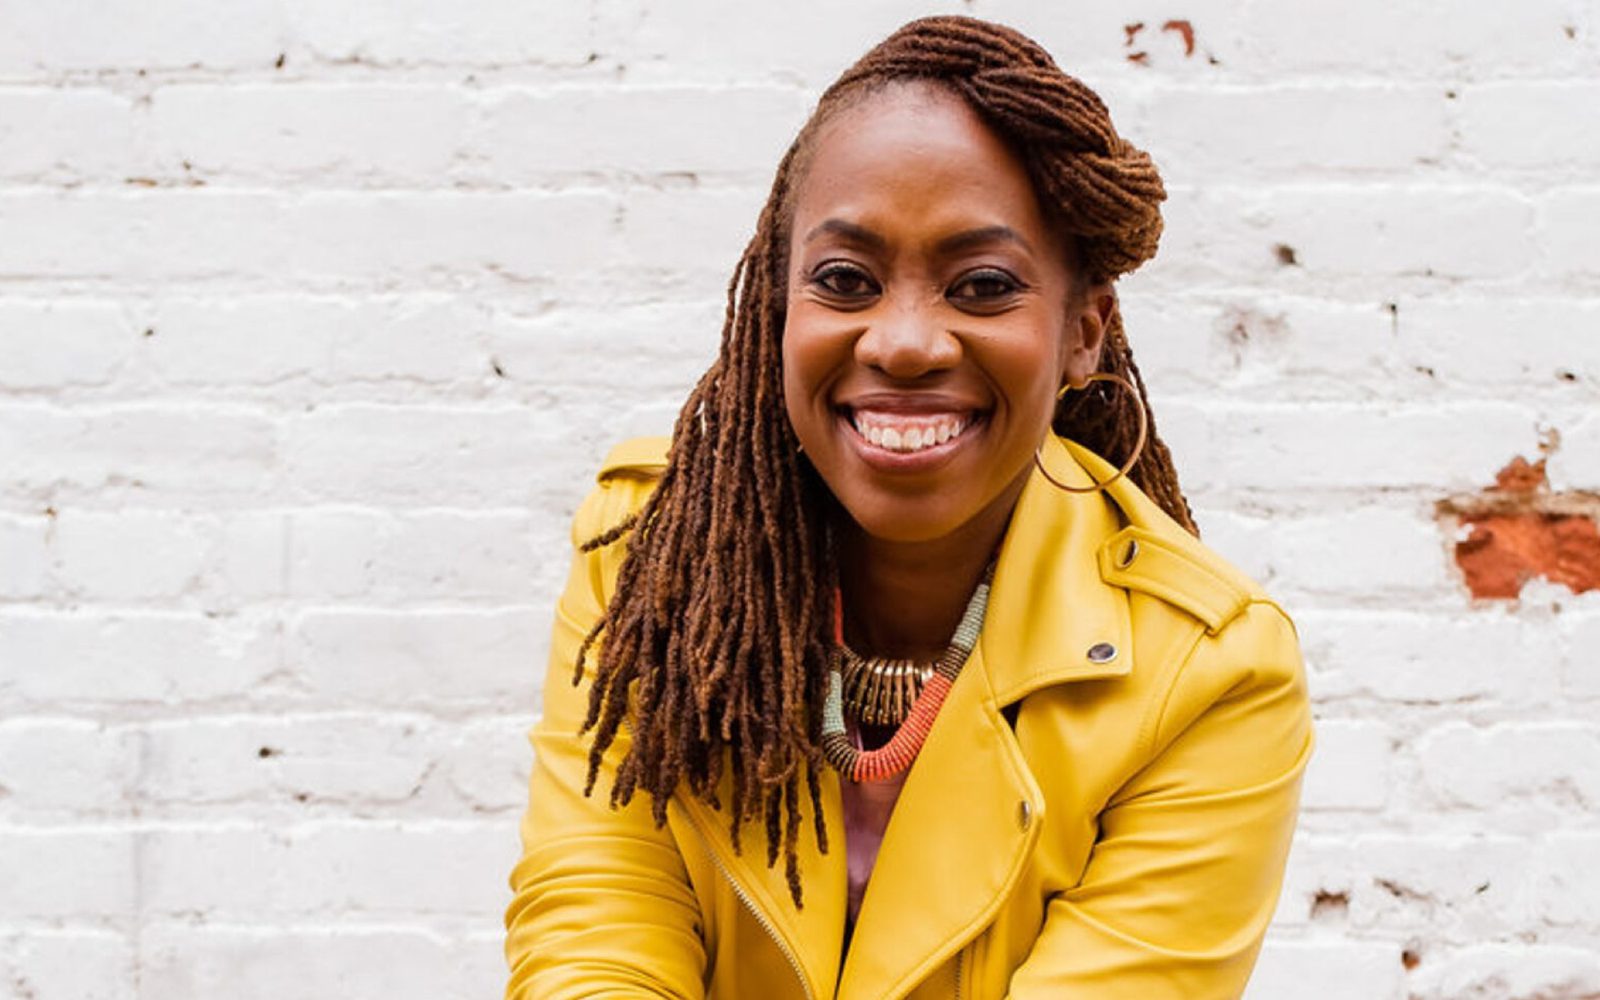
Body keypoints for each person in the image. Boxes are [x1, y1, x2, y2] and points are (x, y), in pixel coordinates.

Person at [504, 14, 1314, 1000]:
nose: (903, 342)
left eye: (980, 286)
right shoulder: (647, 556)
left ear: (1082, 333)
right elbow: (595, 931)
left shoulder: (1212, 673)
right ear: (777, 306)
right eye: (846, 280)